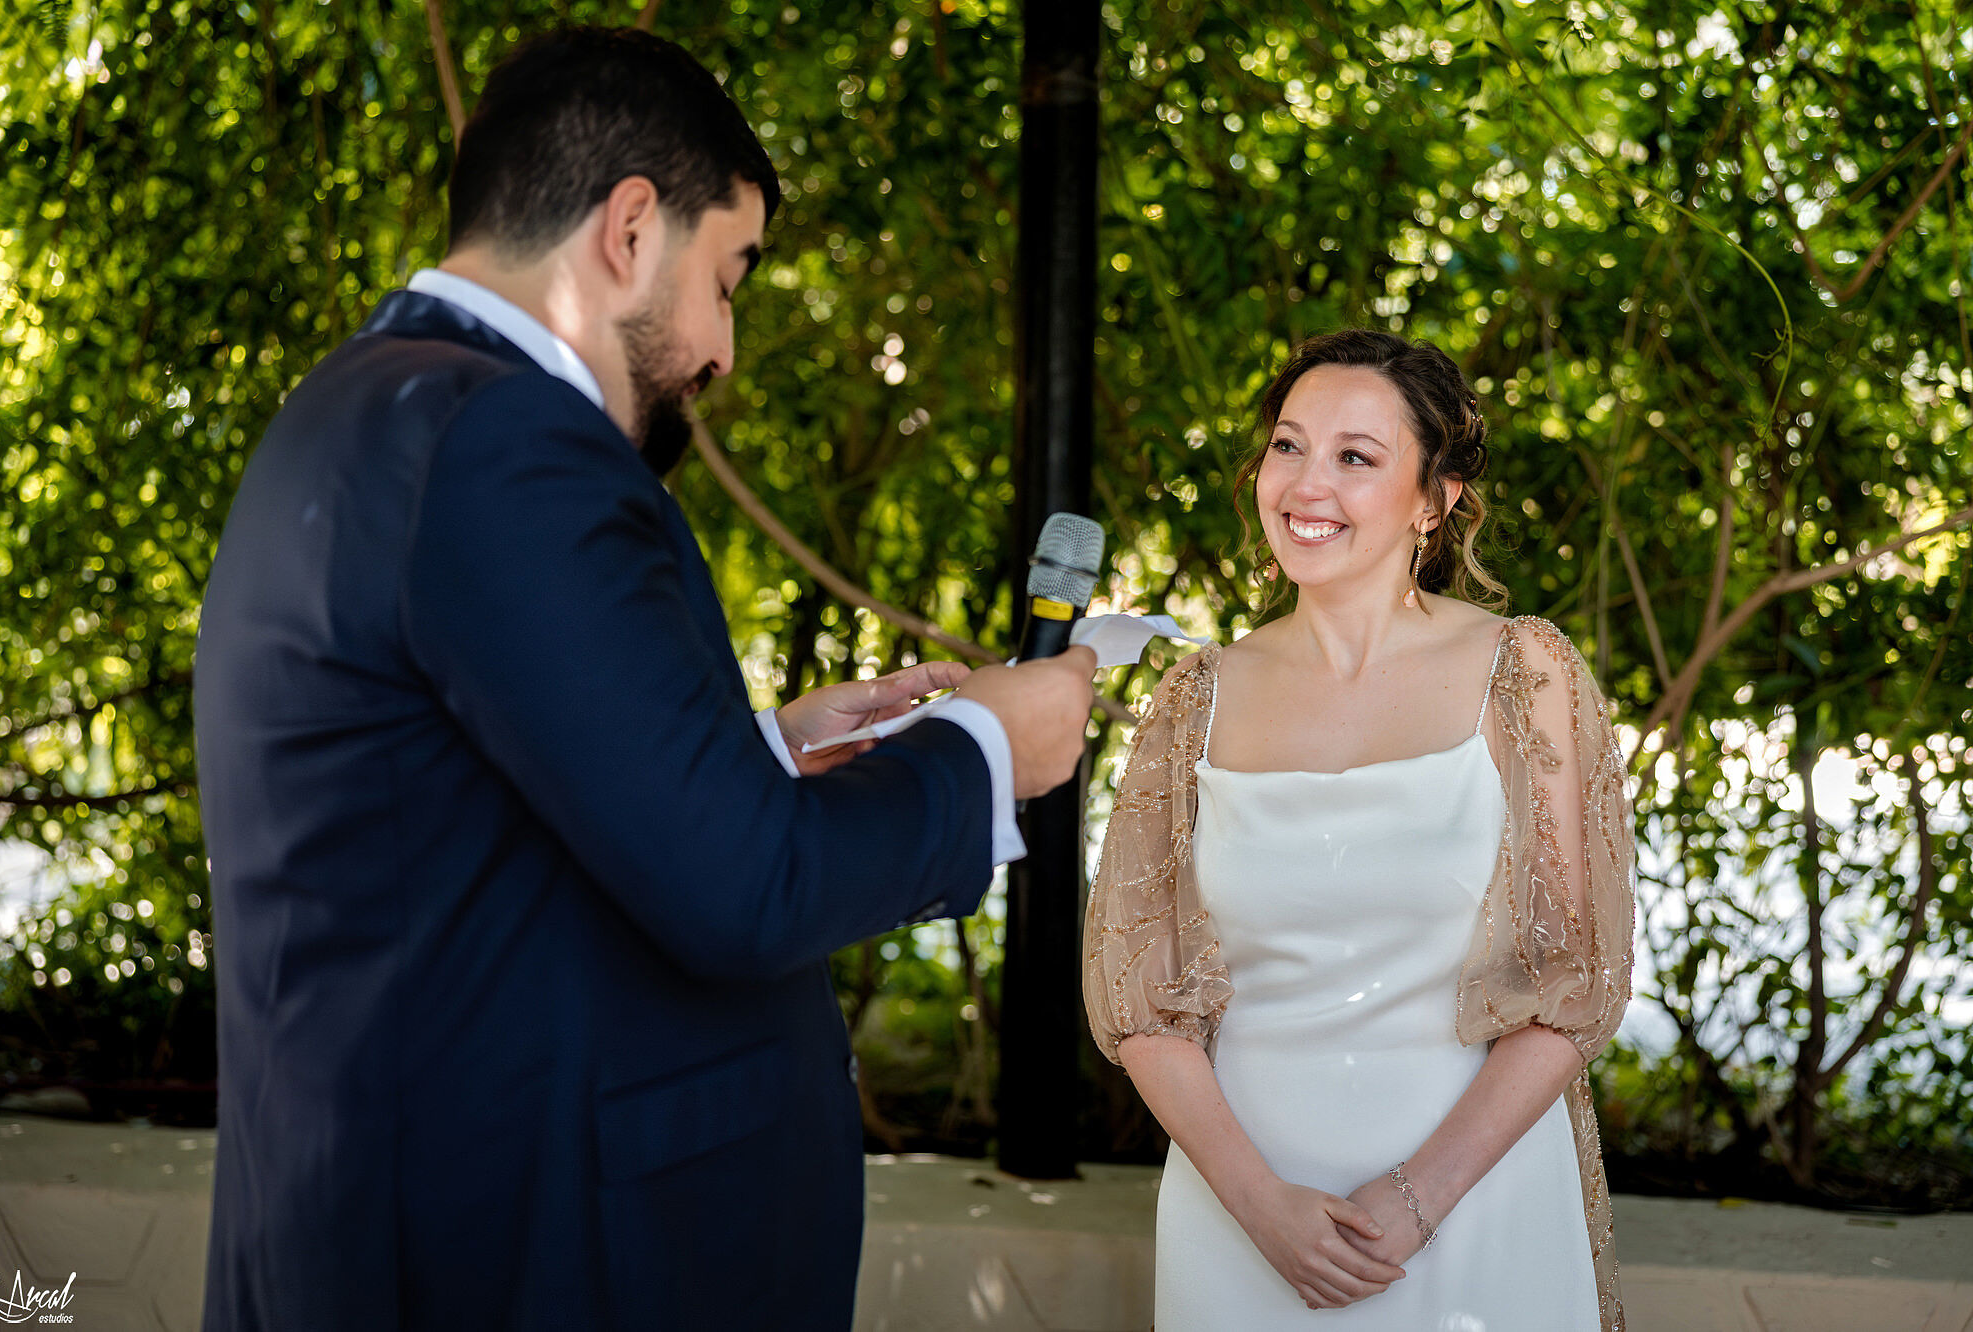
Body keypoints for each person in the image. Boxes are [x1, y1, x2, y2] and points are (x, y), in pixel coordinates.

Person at [193, 26, 1096, 1332]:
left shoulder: (363, 410)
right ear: (629, 230)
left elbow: (473, 815)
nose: (724, 349)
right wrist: (987, 751)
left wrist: (761, 755)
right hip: (518, 1264)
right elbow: (743, 890)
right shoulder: (511, 441)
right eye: (728, 277)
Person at [1083, 329, 1636, 1330]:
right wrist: (1258, 1206)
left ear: (1435, 498)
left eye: (1355, 456)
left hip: (1473, 1198)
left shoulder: (1525, 675)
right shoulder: (1195, 699)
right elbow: (1142, 1001)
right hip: (1241, 1212)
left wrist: (1417, 1200)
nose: (1306, 484)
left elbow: (1574, 981)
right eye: (1287, 446)